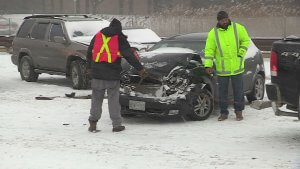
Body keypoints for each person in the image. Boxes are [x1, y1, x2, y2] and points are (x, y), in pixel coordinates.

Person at [86, 18, 147, 132]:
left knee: (96, 100)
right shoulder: (119, 37)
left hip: (97, 74)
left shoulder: (98, 35)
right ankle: (116, 125)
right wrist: (140, 69)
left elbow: (89, 52)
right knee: (113, 100)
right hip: (112, 74)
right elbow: (129, 55)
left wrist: (89, 68)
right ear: (119, 28)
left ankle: (93, 122)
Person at [204, 11, 250, 121]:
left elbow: (246, 40)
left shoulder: (237, 28)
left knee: (238, 91)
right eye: (222, 20)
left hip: (236, 67)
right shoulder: (213, 33)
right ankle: (223, 113)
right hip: (222, 69)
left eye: (225, 19)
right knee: (222, 92)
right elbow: (209, 50)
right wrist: (208, 66)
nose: (224, 21)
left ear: (228, 18)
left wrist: (241, 53)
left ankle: (239, 112)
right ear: (218, 21)